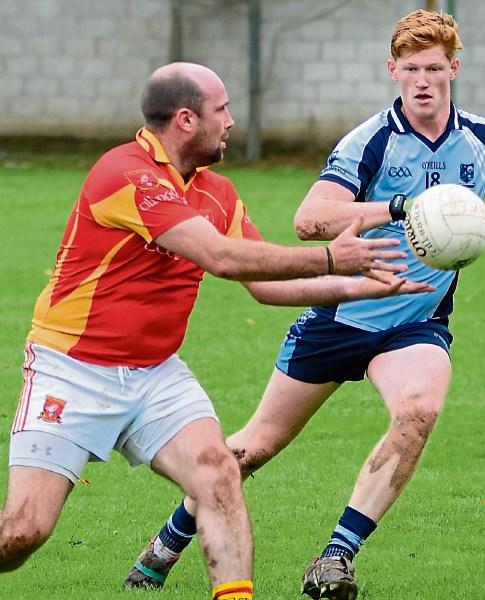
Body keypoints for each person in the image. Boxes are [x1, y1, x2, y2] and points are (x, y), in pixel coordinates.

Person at [125, 11, 485, 600]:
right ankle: (166, 544)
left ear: (454, 68)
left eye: (435, 68)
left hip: (416, 322)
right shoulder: (370, 142)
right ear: (393, 71)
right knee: (254, 448)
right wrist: (404, 207)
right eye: (411, 69)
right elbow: (310, 221)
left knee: (418, 411)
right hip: (341, 314)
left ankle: (335, 558)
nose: (423, 81)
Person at [0, 61, 432, 600]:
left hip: (156, 373)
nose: (231, 121)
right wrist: (330, 256)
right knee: (22, 533)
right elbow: (221, 258)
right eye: (221, 109)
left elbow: (264, 285)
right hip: (73, 369)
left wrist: (367, 286)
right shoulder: (125, 174)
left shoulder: (218, 192)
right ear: (186, 119)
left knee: (220, 476)